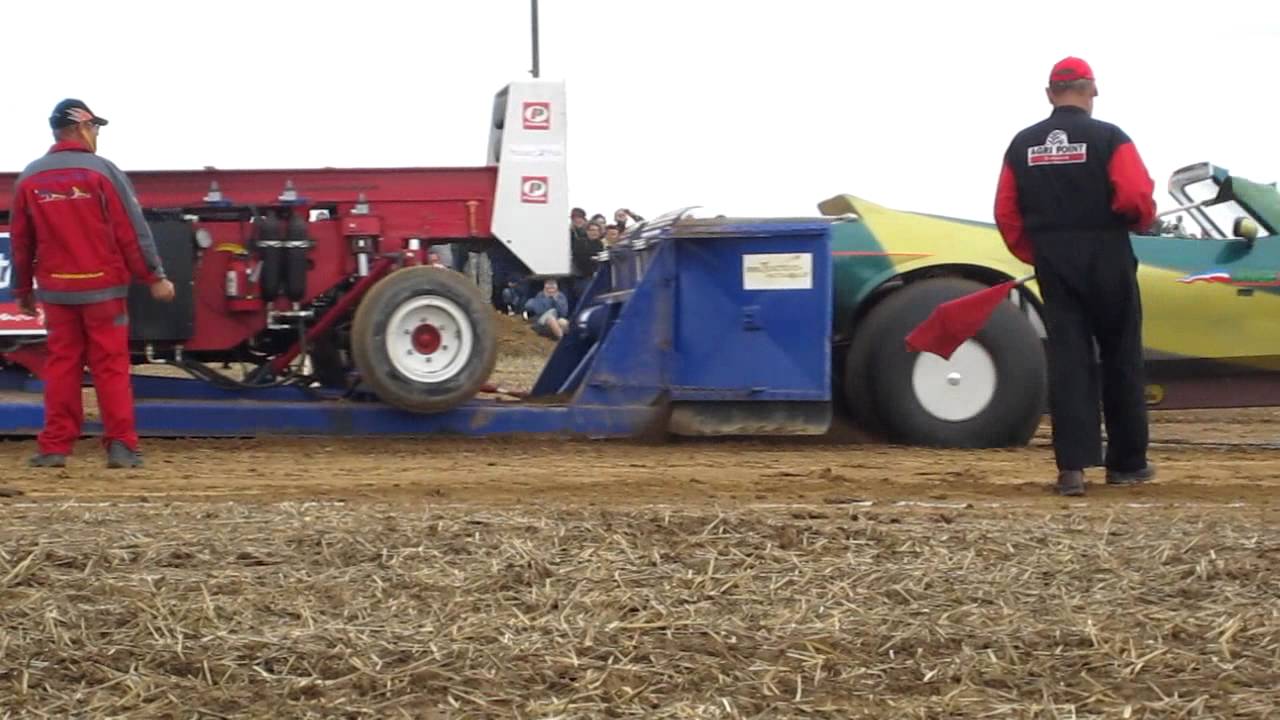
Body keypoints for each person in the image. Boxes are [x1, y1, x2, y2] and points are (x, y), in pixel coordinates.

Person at [994, 58, 1157, 497]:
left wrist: (1039, 253)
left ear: (1049, 93)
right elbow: (1136, 195)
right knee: (1121, 354)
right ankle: (1127, 464)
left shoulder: (1022, 145)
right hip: (1107, 251)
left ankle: (1072, 470)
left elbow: (1006, 213)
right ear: (1092, 90)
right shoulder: (1110, 137)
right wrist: (1138, 221)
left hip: (1054, 259)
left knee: (1069, 360)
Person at [9, 99, 175, 469]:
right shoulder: (102, 172)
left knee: (62, 367)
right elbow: (131, 230)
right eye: (94, 127)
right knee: (110, 367)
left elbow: (21, 242)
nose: (96, 134)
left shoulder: (31, 177)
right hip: (104, 292)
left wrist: (22, 294)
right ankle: (120, 447)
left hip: (57, 294)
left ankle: (54, 448)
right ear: (80, 128)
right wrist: (154, 276)